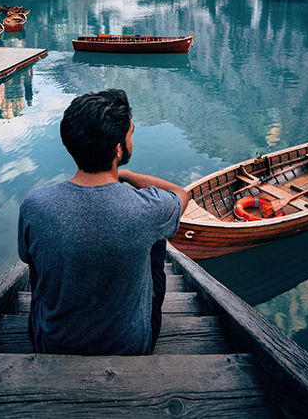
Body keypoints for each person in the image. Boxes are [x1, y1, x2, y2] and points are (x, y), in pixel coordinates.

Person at [17, 88, 190, 355]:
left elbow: (29, 260)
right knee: (157, 238)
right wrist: (127, 175)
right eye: (131, 133)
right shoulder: (144, 208)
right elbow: (181, 195)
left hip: (50, 341)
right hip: (130, 346)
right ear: (118, 149)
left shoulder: (35, 203)